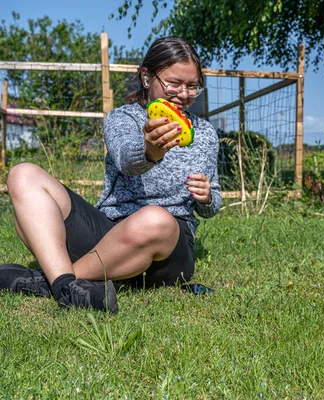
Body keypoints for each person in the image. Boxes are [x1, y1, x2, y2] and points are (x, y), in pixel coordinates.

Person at [0, 36, 222, 313]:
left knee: (156, 219)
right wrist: (150, 150)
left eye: (192, 86)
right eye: (174, 83)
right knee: (23, 174)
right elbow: (128, 161)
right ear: (146, 77)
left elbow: (213, 206)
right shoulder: (122, 119)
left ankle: (53, 282)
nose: (184, 93)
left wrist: (208, 197)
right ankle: (69, 287)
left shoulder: (205, 134)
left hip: (167, 247)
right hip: (109, 232)